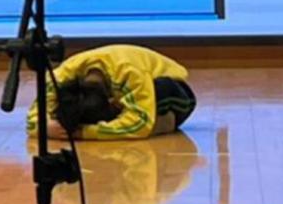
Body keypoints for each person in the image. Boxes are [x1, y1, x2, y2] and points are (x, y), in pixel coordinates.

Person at [26, 44, 196, 140]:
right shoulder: (60, 76)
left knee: (162, 88)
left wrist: (84, 132)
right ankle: (121, 121)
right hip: (124, 100)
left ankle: (162, 122)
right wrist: (45, 128)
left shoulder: (129, 72)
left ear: (111, 101)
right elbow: (33, 119)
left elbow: (139, 125)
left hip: (174, 92)